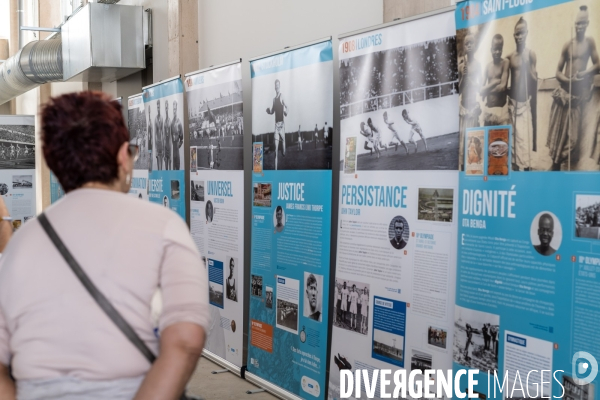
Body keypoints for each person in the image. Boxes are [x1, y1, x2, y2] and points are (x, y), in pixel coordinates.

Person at [0, 92, 209, 400]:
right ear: (123, 156)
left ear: (54, 163)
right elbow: (186, 339)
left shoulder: (22, 243)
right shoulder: (164, 227)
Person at [549, 6, 599, 171]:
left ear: (587, 24)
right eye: (577, 23)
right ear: (574, 23)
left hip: (577, 99)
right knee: (557, 138)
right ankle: (555, 167)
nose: (579, 27)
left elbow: (598, 64)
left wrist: (584, 73)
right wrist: (568, 80)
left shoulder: (589, 42)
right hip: (562, 95)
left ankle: (558, 164)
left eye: (582, 24)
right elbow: (557, 72)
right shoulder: (567, 45)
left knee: (572, 140)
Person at [507, 17, 538, 171]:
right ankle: (514, 168)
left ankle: (525, 168)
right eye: (517, 34)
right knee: (512, 139)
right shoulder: (510, 57)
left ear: (527, 34)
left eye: (522, 33)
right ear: (514, 35)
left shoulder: (531, 54)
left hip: (525, 104)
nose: (519, 37)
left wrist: (527, 63)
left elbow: (534, 78)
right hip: (512, 104)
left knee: (523, 140)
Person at [458, 32, 482, 170]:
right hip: (463, 109)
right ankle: (462, 170)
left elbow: (480, 88)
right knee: (462, 144)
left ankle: (472, 169)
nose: (469, 46)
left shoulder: (478, 65)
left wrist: (470, 79)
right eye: (466, 44)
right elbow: (459, 91)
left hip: (473, 110)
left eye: (471, 43)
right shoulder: (461, 66)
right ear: (464, 47)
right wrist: (463, 78)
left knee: (472, 143)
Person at [481, 34, 510, 126]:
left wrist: (486, 90)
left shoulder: (505, 63)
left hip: (501, 111)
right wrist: (494, 83)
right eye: (495, 49)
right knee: (488, 139)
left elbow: (502, 87)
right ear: (491, 50)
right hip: (488, 111)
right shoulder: (487, 67)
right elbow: (481, 90)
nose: (497, 52)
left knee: (502, 139)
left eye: (500, 49)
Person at [266, 79, 288, 170]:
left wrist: (286, 112)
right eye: (276, 85)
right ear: (275, 87)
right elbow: (272, 111)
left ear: (280, 86)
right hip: (276, 126)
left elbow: (287, 107)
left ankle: (284, 149)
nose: (277, 86)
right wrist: (268, 111)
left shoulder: (282, 96)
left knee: (283, 152)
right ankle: (276, 171)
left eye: (278, 85)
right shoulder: (274, 100)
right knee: (275, 149)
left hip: (282, 125)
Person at [171, 101, 184, 170]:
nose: (174, 111)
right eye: (173, 109)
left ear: (177, 109)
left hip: (177, 150)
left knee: (178, 168)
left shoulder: (179, 123)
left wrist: (178, 145)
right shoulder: (171, 123)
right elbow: (170, 136)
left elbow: (182, 139)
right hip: (173, 152)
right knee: (173, 170)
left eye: (175, 109)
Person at [154, 99, 164, 171]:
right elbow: (154, 134)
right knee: (158, 168)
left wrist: (163, 147)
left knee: (162, 167)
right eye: (157, 107)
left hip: (162, 144)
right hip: (157, 144)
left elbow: (163, 132)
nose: (158, 109)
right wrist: (156, 149)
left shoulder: (162, 118)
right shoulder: (155, 119)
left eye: (159, 107)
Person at [163, 100, 172, 171]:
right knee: (166, 169)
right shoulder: (164, 122)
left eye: (167, 107)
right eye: (165, 108)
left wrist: (171, 151)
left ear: (168, 108)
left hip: (169, 147)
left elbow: (171, 137)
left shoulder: (170, 121)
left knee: (170, 167)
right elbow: (163, 137)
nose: (166, 109)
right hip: (165, 148)